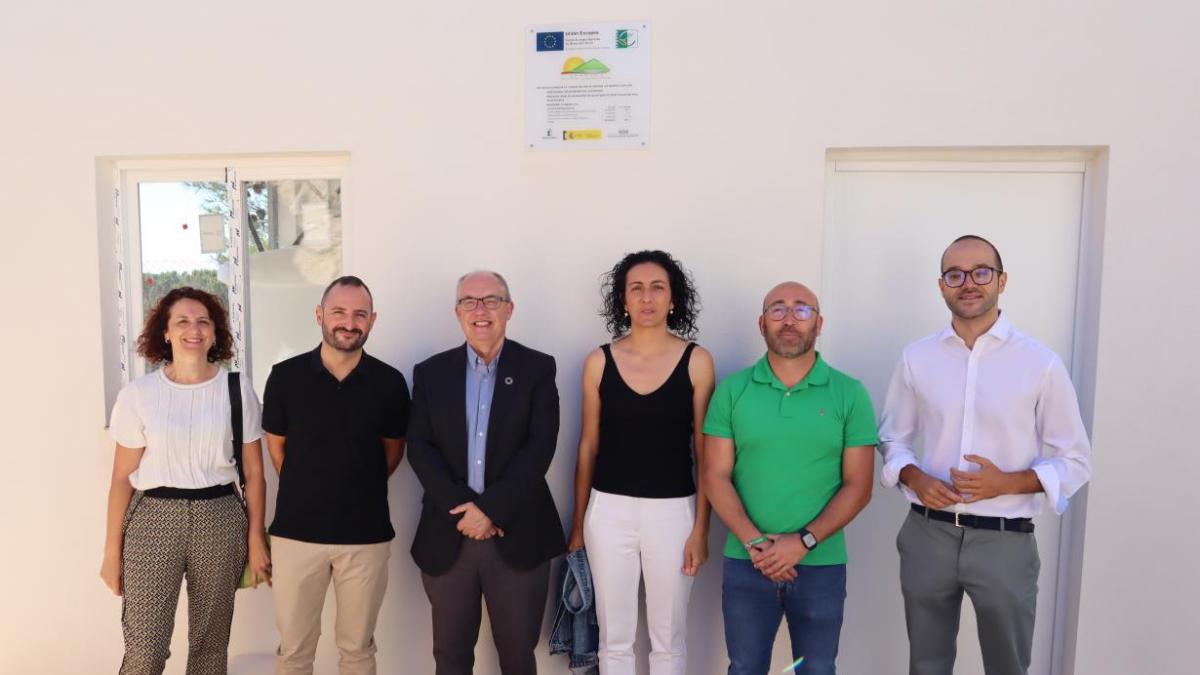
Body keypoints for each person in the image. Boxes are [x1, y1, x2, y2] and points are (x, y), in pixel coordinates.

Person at [878, 235, 1091, 675]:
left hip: (1005, 539)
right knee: (927, 664)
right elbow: (892, 439)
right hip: (927, 535)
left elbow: (1075, 459)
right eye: (955, 275)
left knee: (1008, 666)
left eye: (981, 272)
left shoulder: (1040, 363)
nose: (968, 283)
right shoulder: (917, 358)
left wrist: (1008, 483)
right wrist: (914, 477)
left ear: (1001, 281)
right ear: (942, 286)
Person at [703, 281, 877, 675]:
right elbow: (714, 475)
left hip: (821, 564)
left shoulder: (849, 394)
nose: (789, 319)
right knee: (745, 668)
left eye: (801, 310)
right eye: (777, 310)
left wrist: (803, 542)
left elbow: (858, 485)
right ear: (761, 323)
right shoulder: (733, 391)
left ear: (819, 322)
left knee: (816, 669)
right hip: (747, 561)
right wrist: (757, 544)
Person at [101, 286, 270, 675]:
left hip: (220, 517)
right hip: (152, 520)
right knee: (145, 648)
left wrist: (256, 536)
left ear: (215, 333)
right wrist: (112, 552)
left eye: (203, 322)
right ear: (165, 331)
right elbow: (121, 480)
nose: (193, 329)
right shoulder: (139, 395)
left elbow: (256, 474)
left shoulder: (236, 390)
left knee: (210, 648)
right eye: (182, 321)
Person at [407, 270, 565, 675]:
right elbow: (420, 449)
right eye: (469, 302)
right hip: (449, 533)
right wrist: (465, 509)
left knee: (517, 657)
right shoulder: (430, 373)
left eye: (491, 300)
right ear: (457, 312)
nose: (480, 310)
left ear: (509, 309)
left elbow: (539, 448)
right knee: (451, 658)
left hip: (518, 534)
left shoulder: (538, 369)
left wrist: (490, 510)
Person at [566, 250, 715, 675]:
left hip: (674, 512)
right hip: (608, 511)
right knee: (615, 640)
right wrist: (578, 525)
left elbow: (705, 451)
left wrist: (701, 528)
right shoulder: (598, 361)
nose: (646, 298)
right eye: (636, 288)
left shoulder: (698, 361)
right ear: (624, 301)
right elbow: (587, 447)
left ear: (673, 299)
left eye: (657, 288)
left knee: (670, 639)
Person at [262, 275, 410, 675]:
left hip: (366, 538)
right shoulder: (285, 377)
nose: (349, 322)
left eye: (360, 314)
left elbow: (392, 454)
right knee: (294, 651)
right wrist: (311, 485)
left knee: (358, 649)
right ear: (319, 315)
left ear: (372, 320)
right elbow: (278, 450)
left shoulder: (391, 383)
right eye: (339, 312)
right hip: (295, 536)